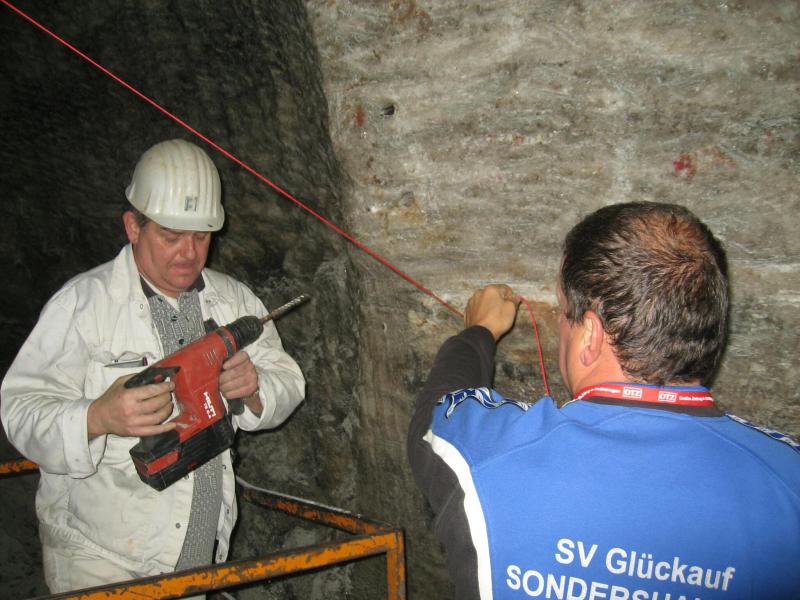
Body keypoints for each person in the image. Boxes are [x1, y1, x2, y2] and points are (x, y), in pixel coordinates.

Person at [408, 202, 800, 600]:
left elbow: (433, 417)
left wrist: (479, 331)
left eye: (563, 311)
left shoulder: (488, 454)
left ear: (591, 336)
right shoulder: (788, 479)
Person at [1, 139, 305, 593]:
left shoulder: (233, 300)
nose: (188, 252)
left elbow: (290, 381)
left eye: (201, 236)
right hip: (100, 561)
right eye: (170, 235)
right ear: (133, 227)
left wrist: (255, 388)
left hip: (199, 555)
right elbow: (19, 411)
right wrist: (97, 417)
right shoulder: (83, 305)